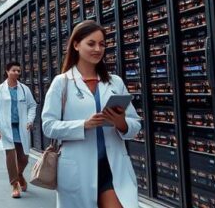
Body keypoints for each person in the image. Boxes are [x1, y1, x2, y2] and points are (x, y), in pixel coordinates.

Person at [42, 20, 142, 208]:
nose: (98, 49)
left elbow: (135, 124)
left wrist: (122, 123)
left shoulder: (115, 82)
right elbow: (48, 126)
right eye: (91, 43)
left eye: (102, 44)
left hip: (112, 167)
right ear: (76, 45)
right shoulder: (61, 83)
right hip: (78, 167)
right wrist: (83, 125)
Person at [0, 61, 38, 198]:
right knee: (10, 156)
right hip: (6, 128)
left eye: (18, 71)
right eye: (14, 70)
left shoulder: (24, 89)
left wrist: (29, 120)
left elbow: (32, 106)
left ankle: (20, 175)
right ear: (7, 71)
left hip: (21, 128)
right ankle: (15, 184)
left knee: (24, 158)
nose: (17, 73)